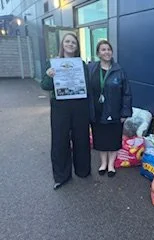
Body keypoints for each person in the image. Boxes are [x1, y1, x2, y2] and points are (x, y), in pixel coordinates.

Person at [40, 33, 91, 189]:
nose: (70, 44)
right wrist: (49, 76)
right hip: (60, 107)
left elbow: (87, 86)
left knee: (81, 138)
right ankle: (62, 176)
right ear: (62, 45)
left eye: (73, 42)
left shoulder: (81, 64)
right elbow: (45, 85)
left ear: (77, 46)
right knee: (60, 140)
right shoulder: (52, 63)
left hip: (79, 106)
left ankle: (83, 170)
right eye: (67, 41)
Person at [88, 40, 132, 177]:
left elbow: (127, 93)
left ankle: (111, 165)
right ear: (98, 53)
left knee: (113, 139)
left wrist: (125, 112)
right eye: (103, 50)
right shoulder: (91, 69)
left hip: (115, 111)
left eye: (108, 49)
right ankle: (103, 163)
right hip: (97, 111)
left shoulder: (119, 70)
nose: (106, 52)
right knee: (100, 138)